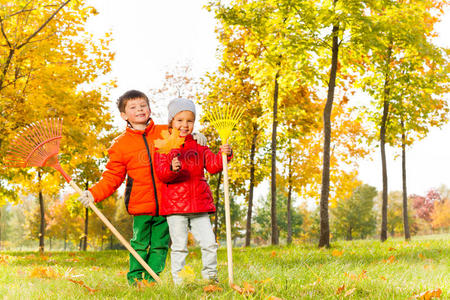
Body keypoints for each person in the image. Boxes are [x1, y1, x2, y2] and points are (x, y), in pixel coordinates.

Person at [77, 90, 206, 285]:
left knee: (160, 245)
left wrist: (195, 136)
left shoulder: (166, 131)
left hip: (167, 203)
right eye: (133, 107)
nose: (139, 109)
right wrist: (93, 193)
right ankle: (135, 280)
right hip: (140, 205)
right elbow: (112, 177)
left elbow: (183, 130)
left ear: (149, 108)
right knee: (139, 244)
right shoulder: (120, 145)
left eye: (143, 105)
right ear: (123, 115)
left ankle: (151, 280)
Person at [154, 98, 232, 285]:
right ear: (171, 121)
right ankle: (179, 283)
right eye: (179, 120)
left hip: (199, 205)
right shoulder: (164, 146)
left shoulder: (199, 144)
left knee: (209, 244)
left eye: (189, 120)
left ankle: (211, 279)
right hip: (175, 207)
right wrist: (172, 168)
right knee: (179, 247)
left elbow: (213, 166)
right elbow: (162, 174)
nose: (184, 125)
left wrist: (224, 154)